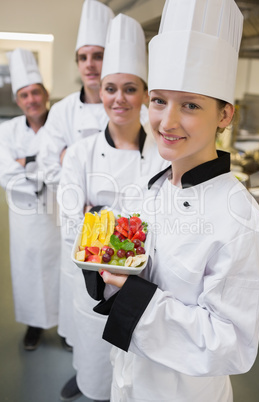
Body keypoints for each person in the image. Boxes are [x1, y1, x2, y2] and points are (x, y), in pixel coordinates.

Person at [86, 0, 259, 401]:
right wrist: (105, 265)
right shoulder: (153, 185)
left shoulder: (239, 219)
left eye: (190, 105)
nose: (166, 122)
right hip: (129, 379)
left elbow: (231, 344)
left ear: (225, 115)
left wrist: (133, 300)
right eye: (158, 100)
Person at [57, 13, 169, 402]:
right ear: (100, 92)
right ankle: (88, 383)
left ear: (143, 93)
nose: (119, 98)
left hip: (145, 281)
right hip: (93, 280)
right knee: (92, 350)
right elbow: (71, 219)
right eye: (110, 88)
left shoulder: (163, 152)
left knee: (135, 365)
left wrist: (100, 215)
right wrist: (127, 226)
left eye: (130, 88)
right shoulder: (81, 154)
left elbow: (166, 219)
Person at [38, 0, 114, 351]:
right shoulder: (63, 111)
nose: (90, 64)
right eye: (83, 57)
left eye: (97, 55)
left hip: (119, 224)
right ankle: (82, 367)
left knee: (113, 300)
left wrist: (73, 158)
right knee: (78, 295)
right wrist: (74, 171)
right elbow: (48, 163)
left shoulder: (129, 109)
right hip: (74, 222)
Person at [0, 48, 61, 351]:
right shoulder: (7, 130)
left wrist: (27, 162)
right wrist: (44, 170)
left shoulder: (61, 125)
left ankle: (66, 328)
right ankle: (33, 326)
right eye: (24, 95)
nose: (31, 100)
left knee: (61, 271)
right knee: (28, 271)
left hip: (60, 215)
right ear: (18, 100)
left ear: (45, 93)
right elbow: (5, 171)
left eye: (35, 92)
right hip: (24, 218)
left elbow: (68, 164)